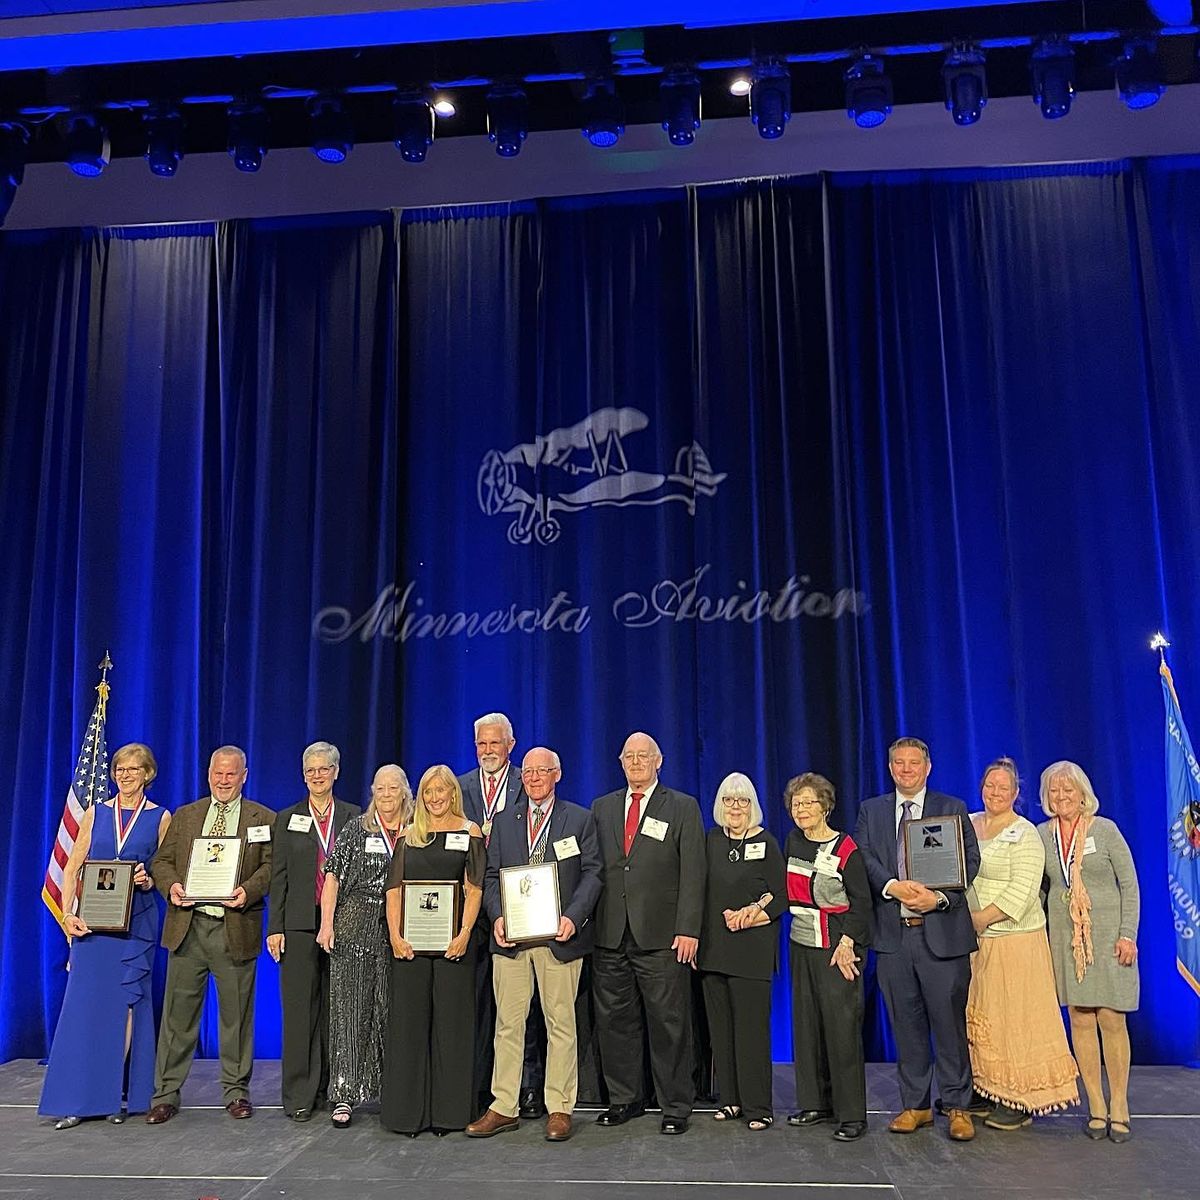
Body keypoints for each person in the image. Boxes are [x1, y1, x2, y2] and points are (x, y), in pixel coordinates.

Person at [468, 746, 602, 1142]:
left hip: (559, 938)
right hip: (512, 940)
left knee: (560, 1024)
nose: (534, 778)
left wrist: (572, 918)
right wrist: (497, 917)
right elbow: (491, 877)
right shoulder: (505, 822)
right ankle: (503, 1106)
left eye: (542, 771)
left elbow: (594, 874)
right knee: (507, 1024)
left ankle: (559, 1107)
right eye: (528, 772)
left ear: (557, 774)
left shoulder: (579, 819)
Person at [853, 737, 981, 1141]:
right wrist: (891, 885)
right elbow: (864, 857)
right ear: (890, 768)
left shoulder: (952, 808)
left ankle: (958, 1106)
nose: (906, 769)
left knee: (949, 1027)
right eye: (899, 763)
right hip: (894, 938)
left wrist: (938, 897)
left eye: (914, 763)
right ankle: (917, 1106)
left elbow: (970, 861)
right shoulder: (870, 811)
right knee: (905, 1027)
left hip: (942, 936)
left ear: (928, 767)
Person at [39, 743, 171, 1128]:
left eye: (133, 769)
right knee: (83, 1010)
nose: (125, 775)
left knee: (126, 1008)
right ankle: (77, 1099)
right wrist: (67, 916)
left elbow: (163, 872)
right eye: (119, 769)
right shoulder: (96, 814)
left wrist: (149, 878)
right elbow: (72, 867)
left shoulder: (161, 818)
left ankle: (113, 1095)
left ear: (148, 773)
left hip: (136, 927)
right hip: (92, 926)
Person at [145, 746, 274, 1124]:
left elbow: (270, 868)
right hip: (189, 927)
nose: (223, 780)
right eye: (217, 773)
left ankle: (236, 1092)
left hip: (235, 927)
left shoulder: (262, 819)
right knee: (177, 1017)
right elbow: (161, 862)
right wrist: (170, 887)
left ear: (244, 775)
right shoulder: (186, 816)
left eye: (231, 774)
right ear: (208, 774)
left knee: (236, 1017)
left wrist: (247, 891)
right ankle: (165, 1094)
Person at [591, 731, 706, 1135]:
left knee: (669, 1023)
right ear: (620, 762)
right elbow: (596, 871)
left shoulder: (682, 807)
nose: (636, 762)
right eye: (629, 756)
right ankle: (625, 1098)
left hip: (661, 936)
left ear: (659, 761)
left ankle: (675, 1104)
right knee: (615, 1022)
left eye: (644, 756)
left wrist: (688, 928)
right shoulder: (602, 807)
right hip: (609, 933)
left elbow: (694, 872)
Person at [965, 758, 1078, 1129]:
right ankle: (987, 1088)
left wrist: (980, 920)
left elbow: (1024, 891)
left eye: (1003, 787)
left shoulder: (1026, 833)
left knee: (1016, 1020)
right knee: (983, 1017)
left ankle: (1020, 1099)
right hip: (973, 942)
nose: (995, 793)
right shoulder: (966, 824)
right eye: (989, 785)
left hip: (1014, 940)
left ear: (1015, 793)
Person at [1038, 760, 1139, 1143]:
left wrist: (1128, 934)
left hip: (1109, 936)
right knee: (1080, 1019)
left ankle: (1120, 1105)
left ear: (1083, 794)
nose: (1062, 797)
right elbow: (1040, 889)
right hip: (1066, 940)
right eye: (1054, 791)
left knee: (1111, 1019)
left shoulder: (1106, 830)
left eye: (1069, 790)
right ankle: (1096, 1105)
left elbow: (1129, 885)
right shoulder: (1041, 836)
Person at [381, 764, 484, 1135]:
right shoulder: (410, 835)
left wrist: (464, 933)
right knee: (409, 1026)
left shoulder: (468, 832)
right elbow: (395, 889)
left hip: (454, 945)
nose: (435, 798)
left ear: (453, 794)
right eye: (428, 792)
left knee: (452, 1027)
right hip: (410, 945)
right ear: (420, 797)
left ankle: (449, 1114)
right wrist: (395, 934)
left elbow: (474, 889)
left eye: (441, 791)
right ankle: (408, 1115)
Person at [267, 741, 361, 1122]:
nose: (317, 776)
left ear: (336, 772)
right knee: (300, 1011)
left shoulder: (355, 817)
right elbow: (279, 878)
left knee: (339, 1010)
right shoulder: (287, 818)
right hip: (300, 925)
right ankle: (299, 1094)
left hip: (345, 924)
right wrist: (275, 928)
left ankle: (335, 1088)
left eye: (324, 769)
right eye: (310, 770)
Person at [456, 712, 542, 1116]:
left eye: (495, 743)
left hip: (520, 904)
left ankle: (527, 1086)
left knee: (523, 1007)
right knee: (477, 1004)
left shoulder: (531, 779)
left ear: (511, 744)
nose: (488, 751)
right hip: (472, 908)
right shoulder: (459, 787)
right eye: (481, 745)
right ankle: (478, 1087)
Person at [318, 764, 413, 1127]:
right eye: (380, 789)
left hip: (403, 928)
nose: (386, 795)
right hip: (355, 925)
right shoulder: (357, 828)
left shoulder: (416, 829)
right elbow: (332, 877)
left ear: (405, 790)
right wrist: (327, 925)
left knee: (394, 1011)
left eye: (393, 788)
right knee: (351, 1011)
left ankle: (394, 1089)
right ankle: (344, 1094)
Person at [784, 772, 872, 1142]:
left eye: (809, 802)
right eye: (796, 803)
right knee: (806, 1026)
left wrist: (848, 942)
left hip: (838, 947)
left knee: (841, 1029)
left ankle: (851, 1114)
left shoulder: (846, 848)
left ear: (826, 806)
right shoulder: (792, 841)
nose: (801, 809)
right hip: (801, 944)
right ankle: (814, 1103)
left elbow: (862, 903)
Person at [698, 772, 786, 1132]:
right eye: (729, 800)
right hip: (714, 951)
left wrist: (754, 915)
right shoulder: (711, 841)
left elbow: (782, 895)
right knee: (722, 1031)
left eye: (743, 801)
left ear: (754, 806)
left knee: (752, 1031)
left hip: (752, 951)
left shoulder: (767, 842)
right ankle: (730, 1099)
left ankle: (758, 1106)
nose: (736, 807)